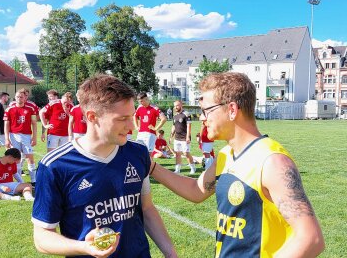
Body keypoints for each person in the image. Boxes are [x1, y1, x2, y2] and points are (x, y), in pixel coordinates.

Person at [149, 72, 325, 257]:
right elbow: (196, 190)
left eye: (206, 111)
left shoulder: (273, 162)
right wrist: (152, 167)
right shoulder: (225, 155)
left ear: (232, 109)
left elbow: (310, 238)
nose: (201, 118)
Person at [32, 74, 177, 258]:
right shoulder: (55, 166)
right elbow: (42, 237)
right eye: (122, 118)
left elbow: (147, 208)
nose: (132, 126)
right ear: (92, 117)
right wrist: (85, 247)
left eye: (132, 116)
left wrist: (171, 254)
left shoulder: (137, 153)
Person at [4, 90, 37, 186]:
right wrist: (6, 138)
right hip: (13, 136)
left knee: (30, 158)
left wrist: (34, 137)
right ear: (15, 97)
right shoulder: (9, 109)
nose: (19, 98)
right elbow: (6, 125)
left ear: (25, 98)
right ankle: (20, 182)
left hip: (26, 136)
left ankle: (34, 181)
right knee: (16, 158)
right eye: (17, 97)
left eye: (21, 97)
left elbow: (34, 124)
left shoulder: (30, 109)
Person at [170, 100, 195, 174]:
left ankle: (193, 168)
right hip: (177, 138)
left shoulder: (186, 114)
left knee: (186, 153)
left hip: (184, 138)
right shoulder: (175, 115)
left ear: (181, 105)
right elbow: (174, 126)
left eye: (177, 105)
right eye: (174, 106)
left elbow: (189, 126)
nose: (175, 107)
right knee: (177, 153)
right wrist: (171, 136)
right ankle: (177, 169)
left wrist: (188, 137)